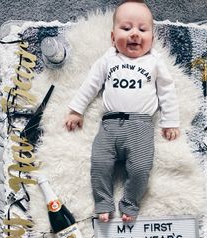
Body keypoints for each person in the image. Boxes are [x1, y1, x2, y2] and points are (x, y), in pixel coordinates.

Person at [65, 0, 180, 223]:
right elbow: (91, 84)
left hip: (140, 127)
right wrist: (76, 111)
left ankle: (130, 203)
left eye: (142, 29)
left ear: (152, 39)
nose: (134, 34)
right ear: (112, 37)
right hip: (109, 126)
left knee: (140, 169)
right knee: (99, 165)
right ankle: (103, 203)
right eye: (126, 28)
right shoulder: (108, 59)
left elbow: (167, 90)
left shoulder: (154, 62)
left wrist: (170, 121)